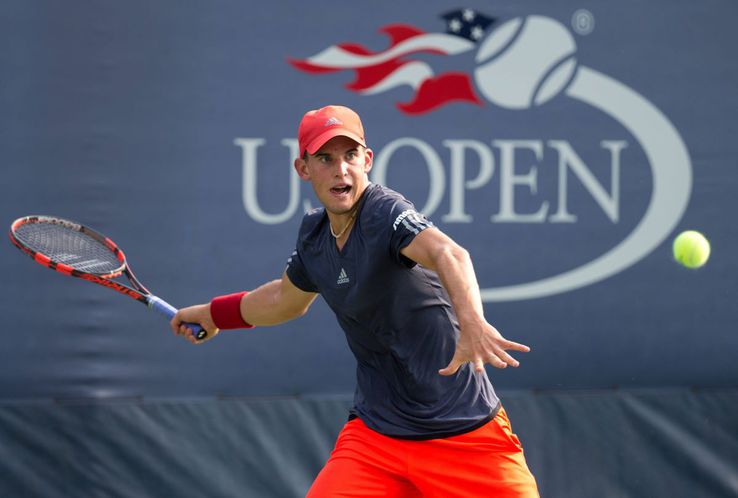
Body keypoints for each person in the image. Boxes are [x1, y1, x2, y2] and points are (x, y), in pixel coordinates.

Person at [171, 105, 539, 497]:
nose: (340, 169)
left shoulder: (384, 212)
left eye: (350, 156)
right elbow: (284, 299)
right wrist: (212, 314)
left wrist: (473, 323)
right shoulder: (314, 237)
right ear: (303, 168)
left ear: (367, 161)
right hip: (377, 438)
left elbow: (450, 254)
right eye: (325, 159)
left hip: (463, 434)